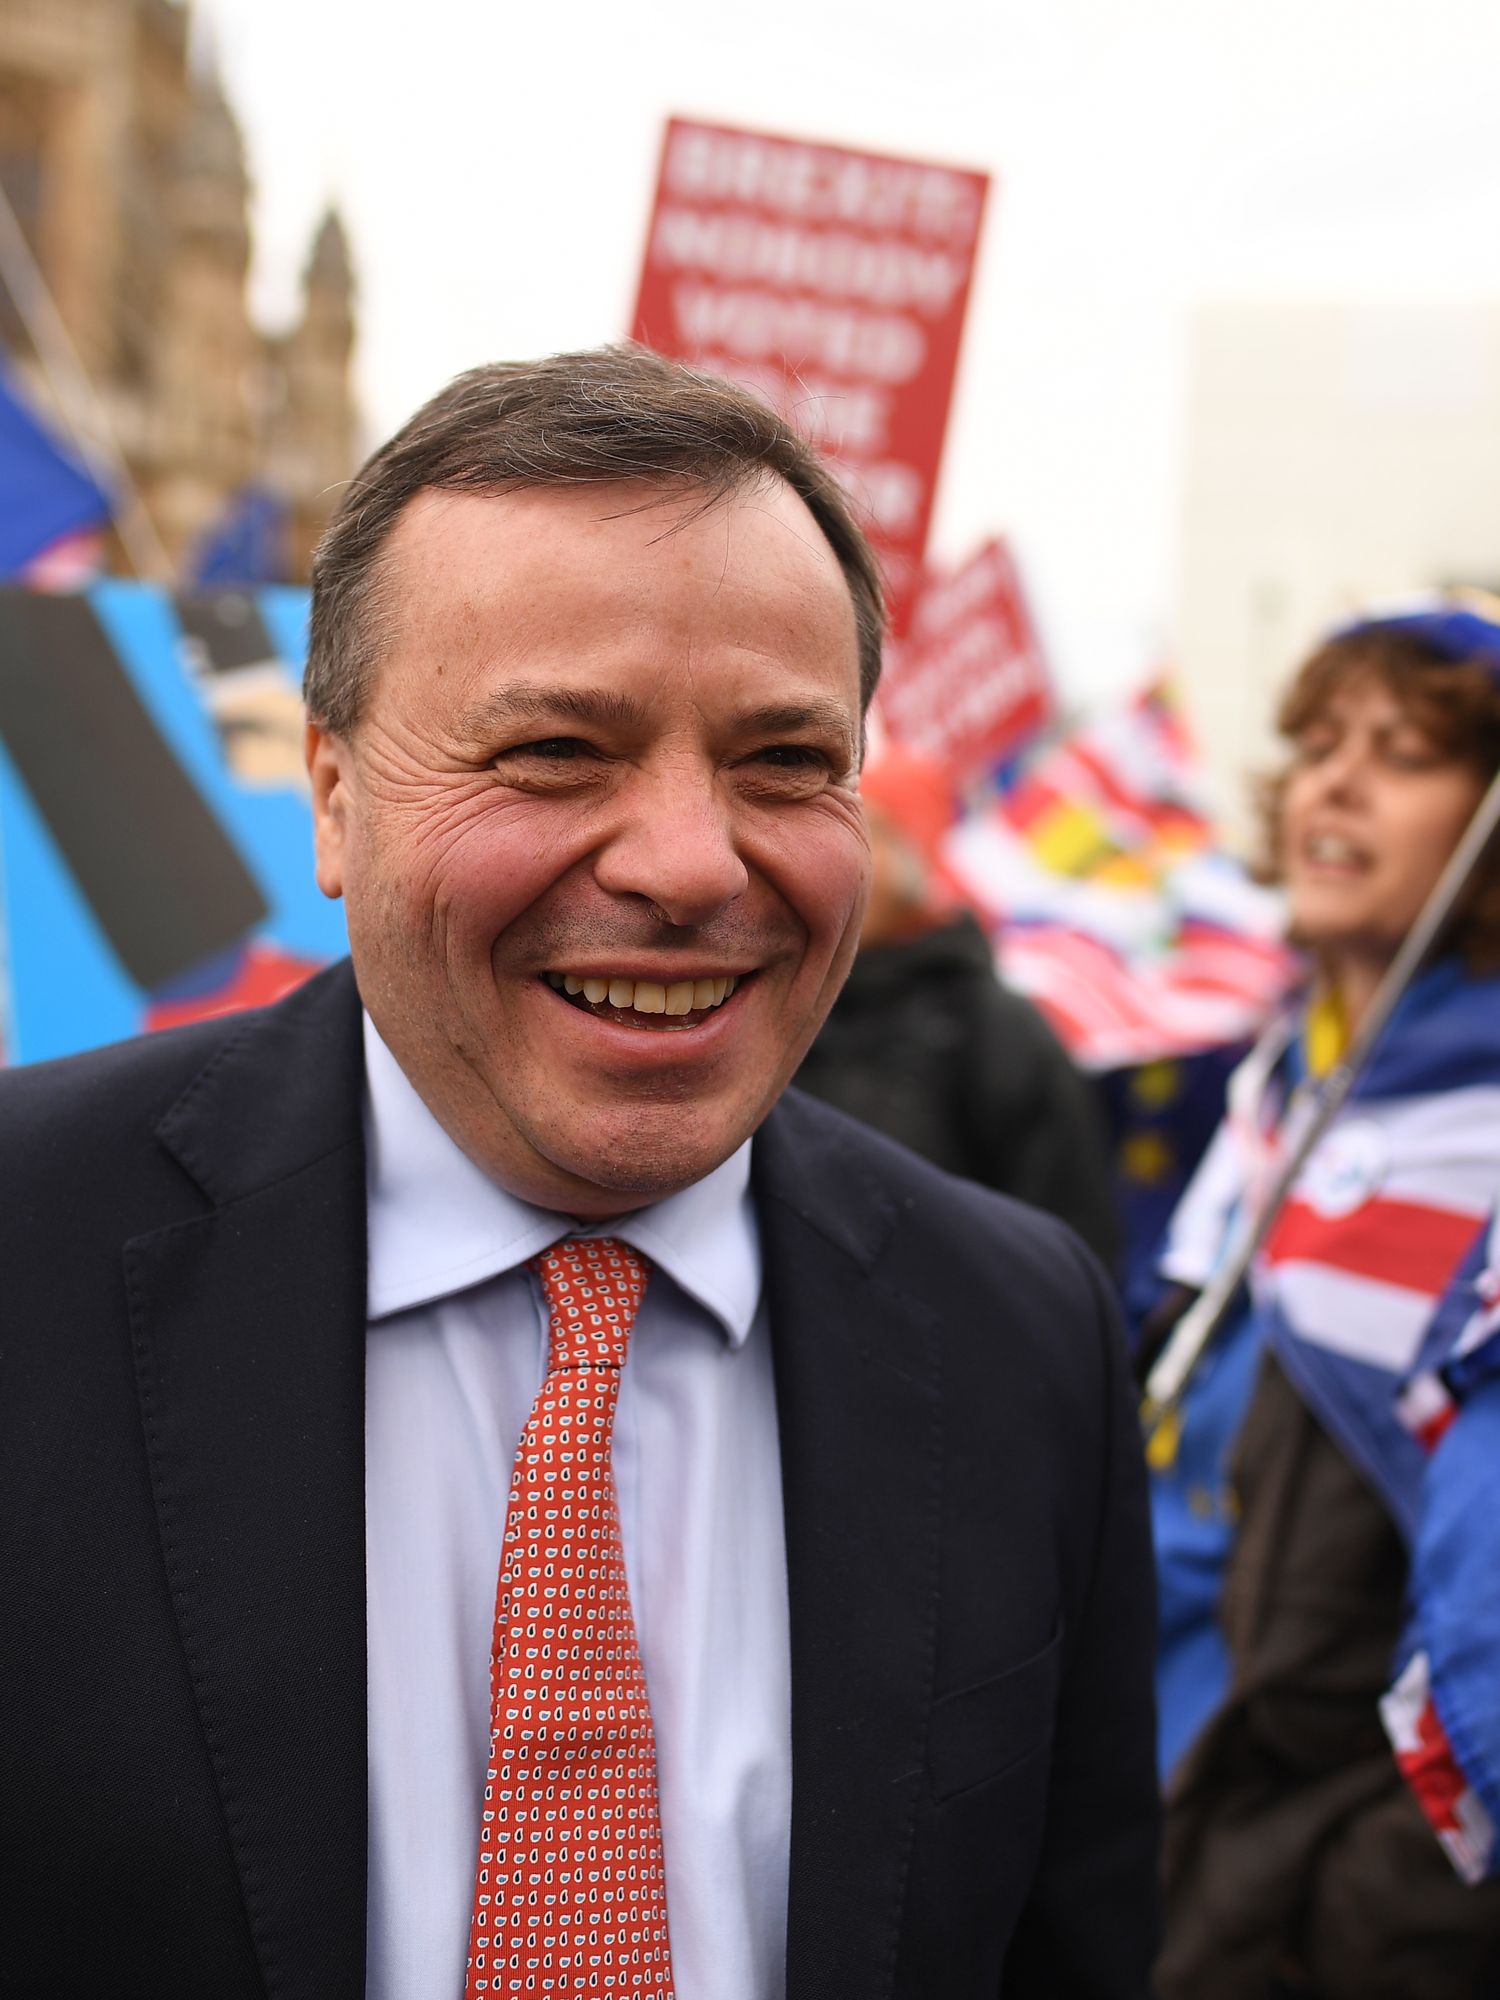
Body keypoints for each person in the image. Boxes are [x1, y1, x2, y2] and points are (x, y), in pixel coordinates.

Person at [0, 346, 1158, 2000]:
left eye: (783, 761)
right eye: (555, 749)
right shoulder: (28, 1251)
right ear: (332, 797)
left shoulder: (1022, 1336)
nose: (689, 864)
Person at [1141, 602, 1500, 1998]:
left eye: (1403, 755)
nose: (1336, 784)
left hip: (1329, 1897)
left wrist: (1375, 1900)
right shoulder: (1277, 1091)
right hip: (1168, 1813)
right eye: (1319, 745)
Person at [795, 743, 1119, 1264]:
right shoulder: (792, 1006)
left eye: (870, 832)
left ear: (918, 856)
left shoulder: (993, 1028)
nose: (839, 860)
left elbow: (1070, 1239)